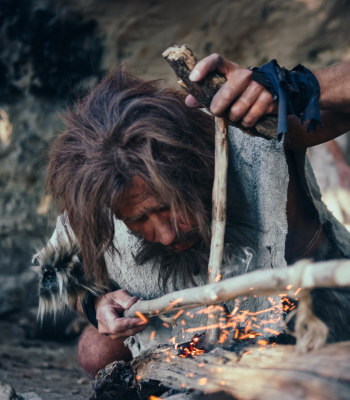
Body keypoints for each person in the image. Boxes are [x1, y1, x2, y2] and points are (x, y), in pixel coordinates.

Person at [35, 55, 350, 378]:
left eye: (167, 206)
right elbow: (56, 271)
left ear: (196, 167)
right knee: (97, 351)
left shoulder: (253, 143)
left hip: (307, 316)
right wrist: (96, 305)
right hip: (193, 335)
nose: (166, 235)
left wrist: (289, 87)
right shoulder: (104, 191)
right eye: (137, 219)